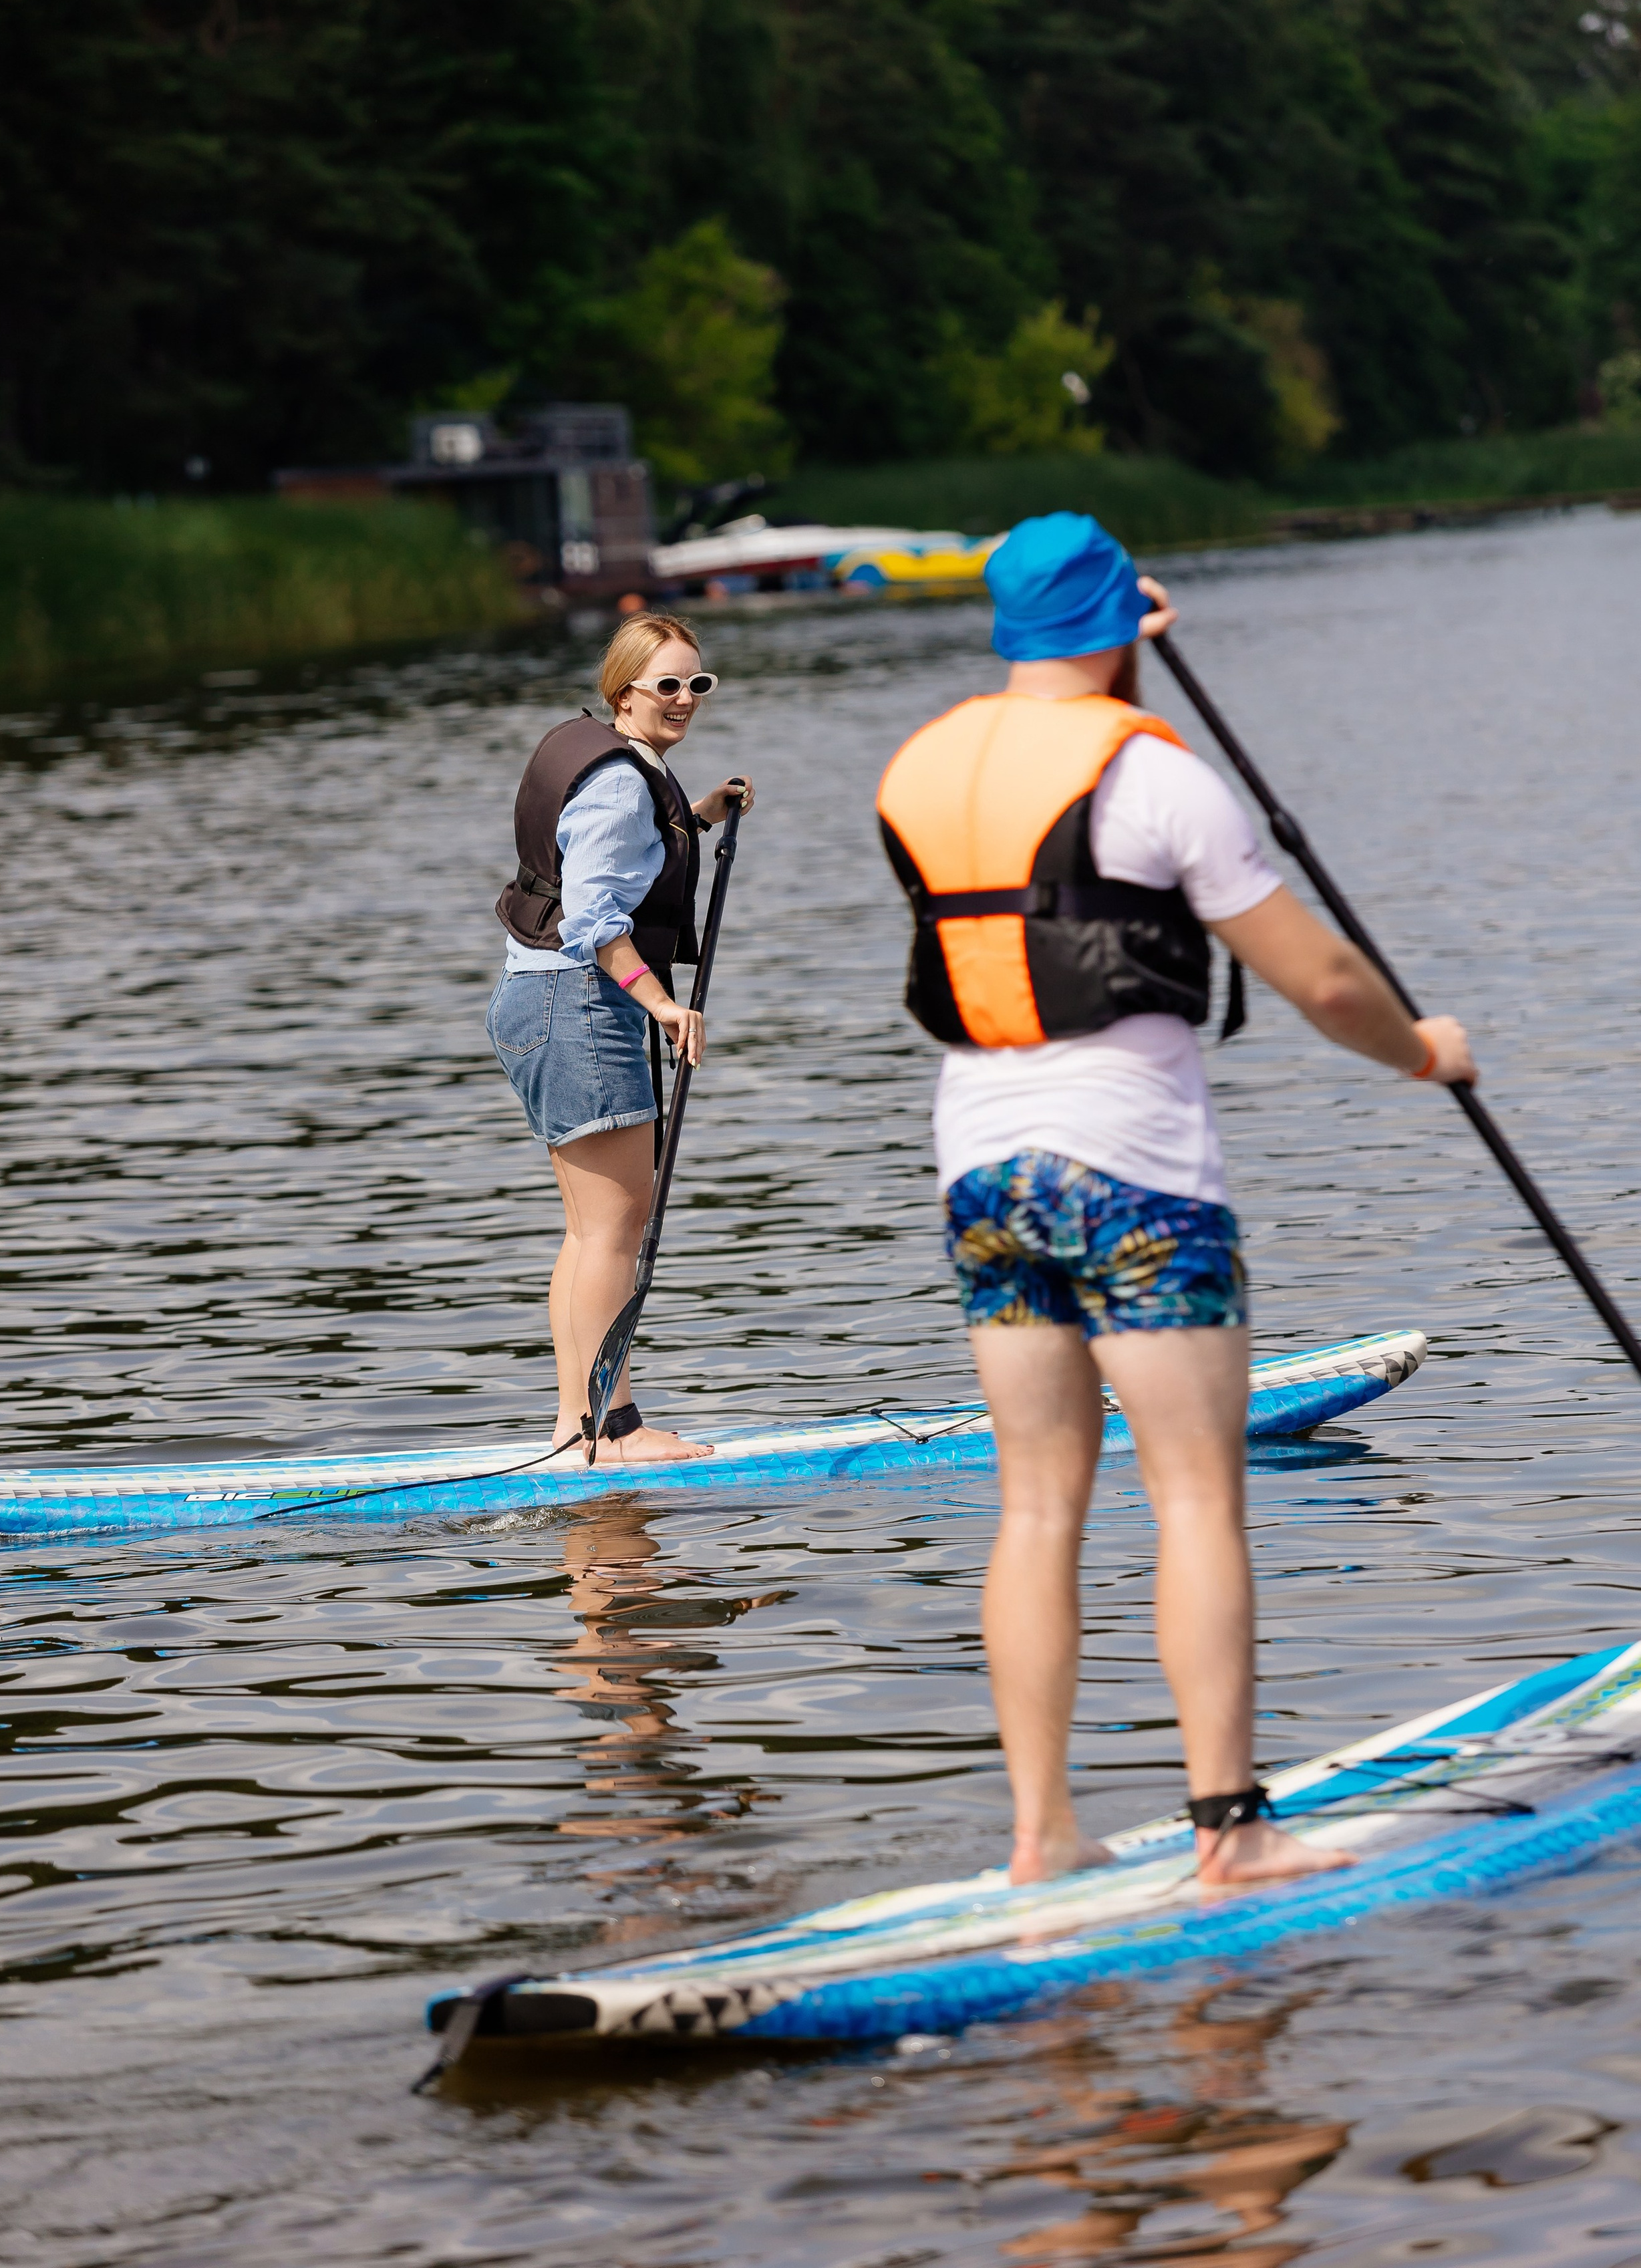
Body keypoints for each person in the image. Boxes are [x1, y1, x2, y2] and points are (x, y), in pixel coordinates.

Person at [876, 513, 1478, 1887]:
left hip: (977, 1171)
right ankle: (1230, 1836)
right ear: (1113, 621)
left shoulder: (918, 765)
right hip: (1130, 1172)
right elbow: (1321, 982)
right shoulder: (1153, 774)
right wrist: (1421, 1051)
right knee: (1196, 1500)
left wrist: (1111, 649)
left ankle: (1041, 1841)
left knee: (1035, 1508)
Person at [489, 611, 754, 1463]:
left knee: (590, 1230)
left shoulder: (620, 762)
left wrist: (700, 815)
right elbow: (593, 916)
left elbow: (621, 855)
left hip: (542, 1004)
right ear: (623, 691)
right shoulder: (615, 783)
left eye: (696, 684)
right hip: (580, 1004)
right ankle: (611, 1426)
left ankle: (577, 1427)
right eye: (665, 686)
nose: (684, 700)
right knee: (614, 1229)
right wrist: (661, 1004)